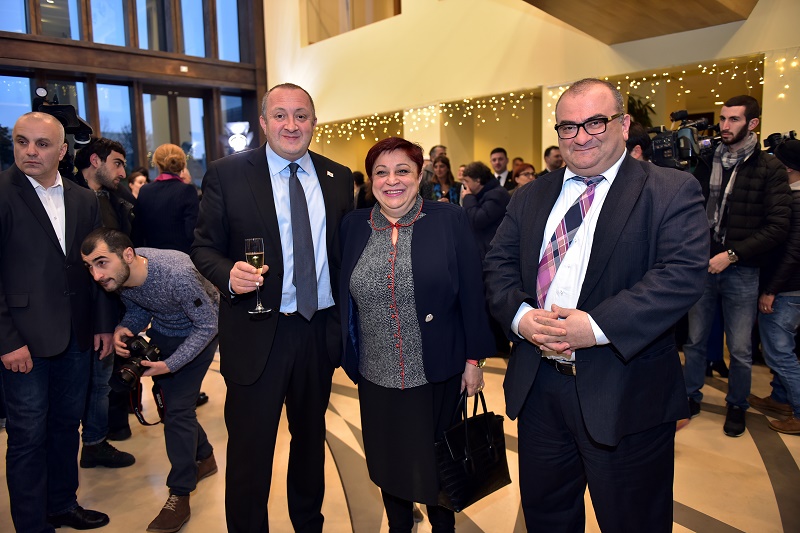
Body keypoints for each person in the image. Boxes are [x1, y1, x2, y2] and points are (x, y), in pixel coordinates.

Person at [483, 78, 709, 531]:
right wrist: (522, 317)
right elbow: (497, 264)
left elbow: (681, 274)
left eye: (595, 122)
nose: (581, 136)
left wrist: (595, 327)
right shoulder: (530, 195)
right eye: (568, 126)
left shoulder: (669, 189)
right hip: (539, 388)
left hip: (625, 390)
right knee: (547, 518)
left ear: (623, 125)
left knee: (633, 521)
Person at [191, 82, 353, 533]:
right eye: (280, 115)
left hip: (318, 331)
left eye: (301, 115)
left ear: (314, 122)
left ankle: (309, 523)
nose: (291, 124)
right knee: (250, 450)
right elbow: (203, 248)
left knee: (310, 444)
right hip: (257, 332)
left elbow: (345, 254)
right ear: (263, 122)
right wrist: (229, 275)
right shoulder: (227, 174)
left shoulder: (339, 177)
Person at [339, 137, 493, 532]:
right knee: (389, 466)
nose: (392, 180)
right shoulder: (353, 226)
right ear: (370, 180)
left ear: (420, 174)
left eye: (402, 171)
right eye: (381, 172)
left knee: (439, 466)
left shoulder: (449, 219)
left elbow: (473, 293)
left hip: (437, 372)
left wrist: (474, 360)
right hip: (376, 376)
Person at [0, 112, 116, 531]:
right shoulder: (2, 193)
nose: (30, 151)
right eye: (22, 141)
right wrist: (6, 340)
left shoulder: (84, 199)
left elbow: (96, 267)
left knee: (68, 425)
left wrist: (102, 323)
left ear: (63, 151)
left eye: (42, 144)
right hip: (23, 341)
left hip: (77, 335)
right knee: (28, 436)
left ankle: (62, 504)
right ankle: (32, 523)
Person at [81, 228, 219, 532]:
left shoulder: (177, 274)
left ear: (128, 255)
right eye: (89, 266)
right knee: (172, 408)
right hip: (164, 333)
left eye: (101, 263)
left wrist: (169, 365)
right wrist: (124, 328)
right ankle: (205, 456)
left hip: (199, 337)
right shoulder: (121, 274)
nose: (96, 275)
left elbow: (207, 325)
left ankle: (180, 493)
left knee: (178, 412)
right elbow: (138, 307)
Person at [683, 95, 791, 437]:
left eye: (734, 119)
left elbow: (778, 226)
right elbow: (689, 210)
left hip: (742, 269)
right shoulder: (707, 159)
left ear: (752, 123)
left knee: (741, 348)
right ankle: (689, 396)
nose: (725, 126)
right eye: (723, 119)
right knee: (695, 340)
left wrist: (731, 255)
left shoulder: (769, 167)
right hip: (702, 265)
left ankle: (737, 405)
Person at [73, 137, 137, 466]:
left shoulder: (114, 199)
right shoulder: (72, 199)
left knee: (101, 381)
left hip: (110, 306)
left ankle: (95, 441)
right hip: (76, 310)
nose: (122, 172)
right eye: (117, 163)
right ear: (95, 160)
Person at [751, 139, 800, 434]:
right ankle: (780, 400)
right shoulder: (790, 197)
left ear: (788, 168)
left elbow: (793, 252)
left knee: (780, 354)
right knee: (782, 350)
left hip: (786, 291)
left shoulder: (795, 201)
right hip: (787, 288)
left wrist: (771, 290)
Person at [135, 144, 200, 254]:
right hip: (181, 256)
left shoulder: (145, 191)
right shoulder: (187, 190)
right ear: (182, 164)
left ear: (157, 163)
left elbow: (138, 231)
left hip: (151, 256)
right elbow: (192, 232)